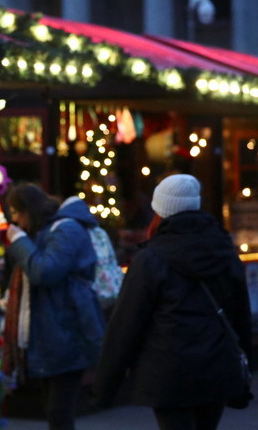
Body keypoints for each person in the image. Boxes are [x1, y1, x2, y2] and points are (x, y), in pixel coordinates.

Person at [91, 174, 253, 430]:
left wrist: (104, 388)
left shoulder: (151, 259)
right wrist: (245, 369)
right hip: (216, 368)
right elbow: (241, 315)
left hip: (169, 373)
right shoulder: (224, 251)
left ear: (161, 209)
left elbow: (126, 325)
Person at [4, 185, 104, 430]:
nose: (14, 220)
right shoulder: (48, 231)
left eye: (16, 212)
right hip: (55, 332)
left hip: (67, 331)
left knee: (59, 412)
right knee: (54, 411)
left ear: (28, 210)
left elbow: (44, 272)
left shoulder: (66, 229)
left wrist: (18, 241)